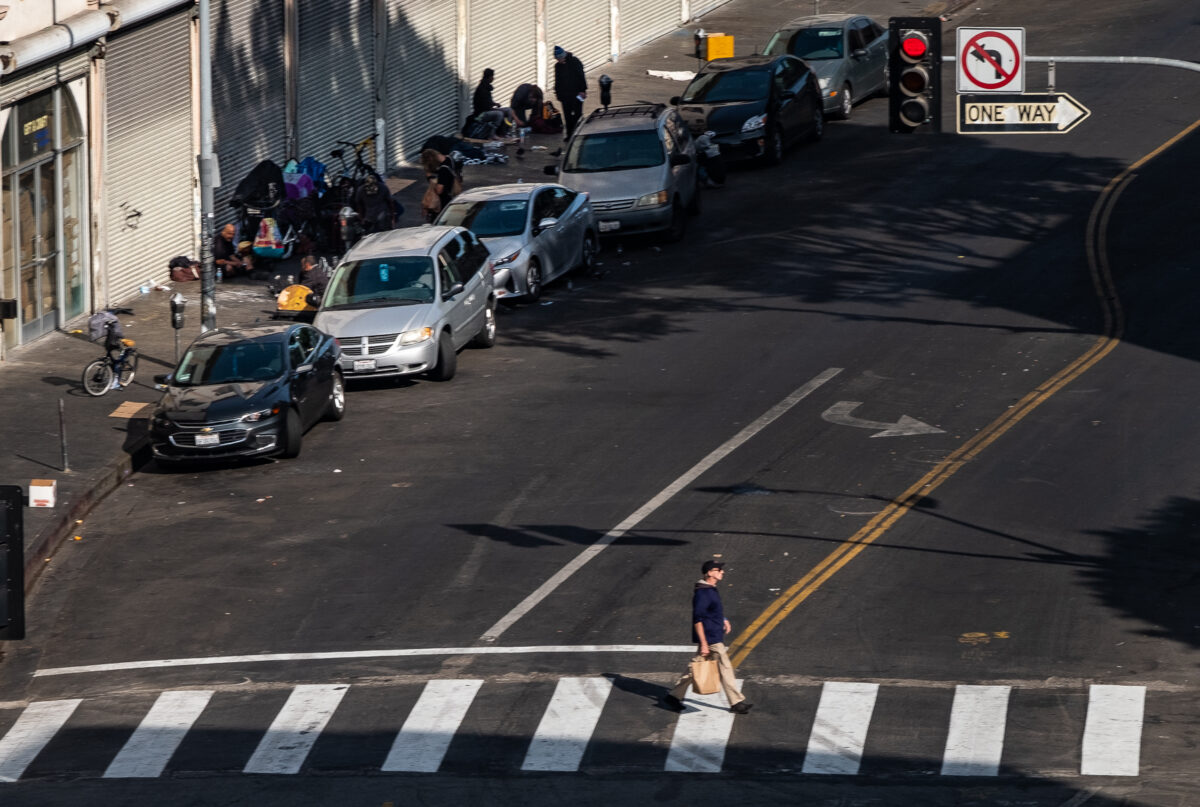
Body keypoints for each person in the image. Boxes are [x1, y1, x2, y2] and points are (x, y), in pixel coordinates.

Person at [662, 560, 753, 715]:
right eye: (719, 570)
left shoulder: (710, 589)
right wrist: (704, 643)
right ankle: (736, 703)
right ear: (709, 573)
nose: (722, 572)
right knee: (725, 668)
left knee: (695, 667)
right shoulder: (703, 593)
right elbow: (697, 620)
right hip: (710, 638)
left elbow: (712, 611)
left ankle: (673, 696)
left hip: (712, 635)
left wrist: (723, 619)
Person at [552, 45, 587, 139]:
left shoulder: (575, 62)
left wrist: (583, 90)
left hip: (577, 94)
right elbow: (557, 81)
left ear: (563, 55)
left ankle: (578, 134)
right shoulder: (557, 66)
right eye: (557, 59)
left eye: (559, 58)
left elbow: (581, 76)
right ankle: (569, 135)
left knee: (577, 115)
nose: (558, 60)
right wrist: (558, 93)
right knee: (567, 116)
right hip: (565, 96)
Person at [420, 148, 459, 223]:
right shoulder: (449, 159)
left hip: (442, 203)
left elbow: (439, 190)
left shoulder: (443, 171)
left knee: (437, 222)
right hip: (451, 196)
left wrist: (430, 178)